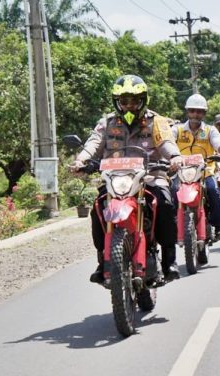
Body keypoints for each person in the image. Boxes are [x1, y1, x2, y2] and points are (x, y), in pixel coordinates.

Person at [69, 74, 183, 284]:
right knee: (98, 209)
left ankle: (169, 261)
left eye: (134, 101)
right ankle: (104, 261)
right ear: (117, 102)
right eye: (124, 101)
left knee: (166, 203)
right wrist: (81, 161)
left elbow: (166, 142)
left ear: (143, 100)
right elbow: (93, 144)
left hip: (150, 176)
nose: (129, 106)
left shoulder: (156, 121)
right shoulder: (107, 123)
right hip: (116, 180)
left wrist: (174, 157)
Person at [171, 94, 220, 240]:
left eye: (199, 111)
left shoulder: (210, 130)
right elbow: (168, 144)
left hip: (205, 171)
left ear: (204, 113)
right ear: (187, 112)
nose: (195, 114)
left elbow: (219, 143)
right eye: (192, 111)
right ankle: (174, 223)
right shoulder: (177, 130)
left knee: (212, 190)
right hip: (182, 172)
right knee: (172, 191)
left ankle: (219, 226)